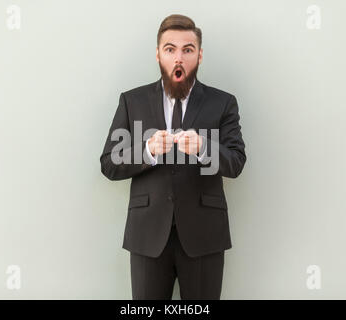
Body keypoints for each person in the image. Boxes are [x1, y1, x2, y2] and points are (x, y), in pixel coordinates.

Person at [100, 14, 246, 300]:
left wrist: (205, 147)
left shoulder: (223, 102)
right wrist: (148, 152)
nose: (178, 58)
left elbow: (236, 162)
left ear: (199, 55)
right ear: (158, 54)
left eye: (187, 50)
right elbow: (109, 163)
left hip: (205, 236)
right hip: (147, 236)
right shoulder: (132, 101)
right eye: (170, 49)